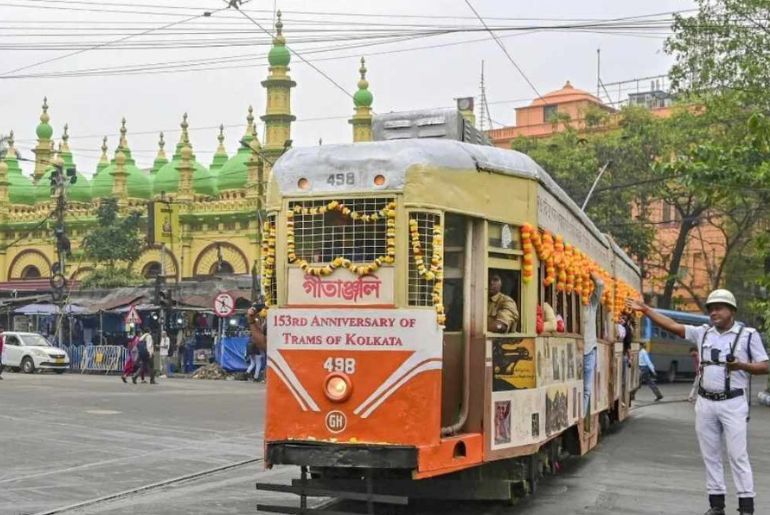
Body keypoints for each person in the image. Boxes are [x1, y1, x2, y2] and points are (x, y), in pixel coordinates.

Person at [627, 290, 768, 515]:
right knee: (710, 455)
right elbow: (672, 326)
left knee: (737, 455)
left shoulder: (748, 335)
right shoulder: (703, 333)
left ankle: (746, 507)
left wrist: (741, 366)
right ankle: (716, 505)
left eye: (719, 307)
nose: (714, 312)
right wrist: (646, 310)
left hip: (733, 402)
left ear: (732, 311)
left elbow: (765, 366)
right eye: (711, 308)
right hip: (706, 402)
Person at [581, 271, 604, 416]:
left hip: (589, 349)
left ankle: (582, 416)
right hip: (576, 351)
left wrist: (589, 272)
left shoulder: (591, 304)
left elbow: (600, 284)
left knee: (586, 389)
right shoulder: (567, 303)